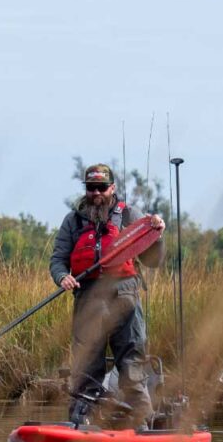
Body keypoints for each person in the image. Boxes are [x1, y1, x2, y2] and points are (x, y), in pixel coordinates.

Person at [50, 163, 165, 427]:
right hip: (88, 298)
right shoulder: (73, 221)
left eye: (102, 187)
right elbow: (58, 259)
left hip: (125, 296)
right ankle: (81, 427)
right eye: (91, 188)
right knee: (86, 369)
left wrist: (156, 234)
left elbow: (153, 260)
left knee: (132, 365)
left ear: (112, 188)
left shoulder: (129, 215)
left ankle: (142, 426)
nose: (96, 193)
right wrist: (62, 277)